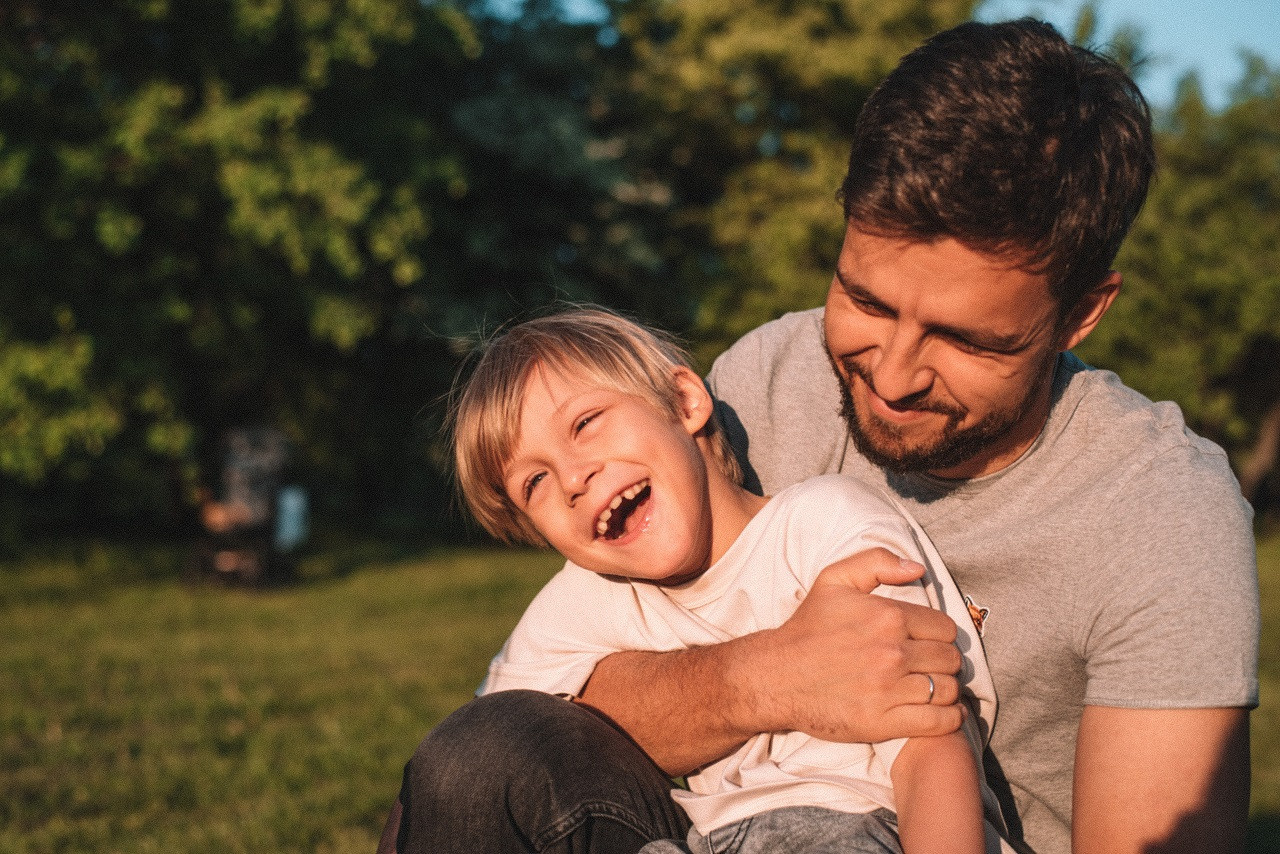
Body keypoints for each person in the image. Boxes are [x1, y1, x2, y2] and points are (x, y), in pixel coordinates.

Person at [380, 18, 1259, 854]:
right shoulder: (769, 380)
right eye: (866, 301)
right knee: (478, 761)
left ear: (1080, 313)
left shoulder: (1160, 514)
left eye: (964, 338)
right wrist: (769, 677)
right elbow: (563, 688)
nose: (895, 373)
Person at [444, 307, 1012, 854]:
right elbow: (466, 768)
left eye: (586, 424)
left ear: (685, 401)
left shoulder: (820, 524)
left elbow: (933, 746)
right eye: (534, 482)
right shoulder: (591, 597)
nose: (571, 477)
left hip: (861, 824)